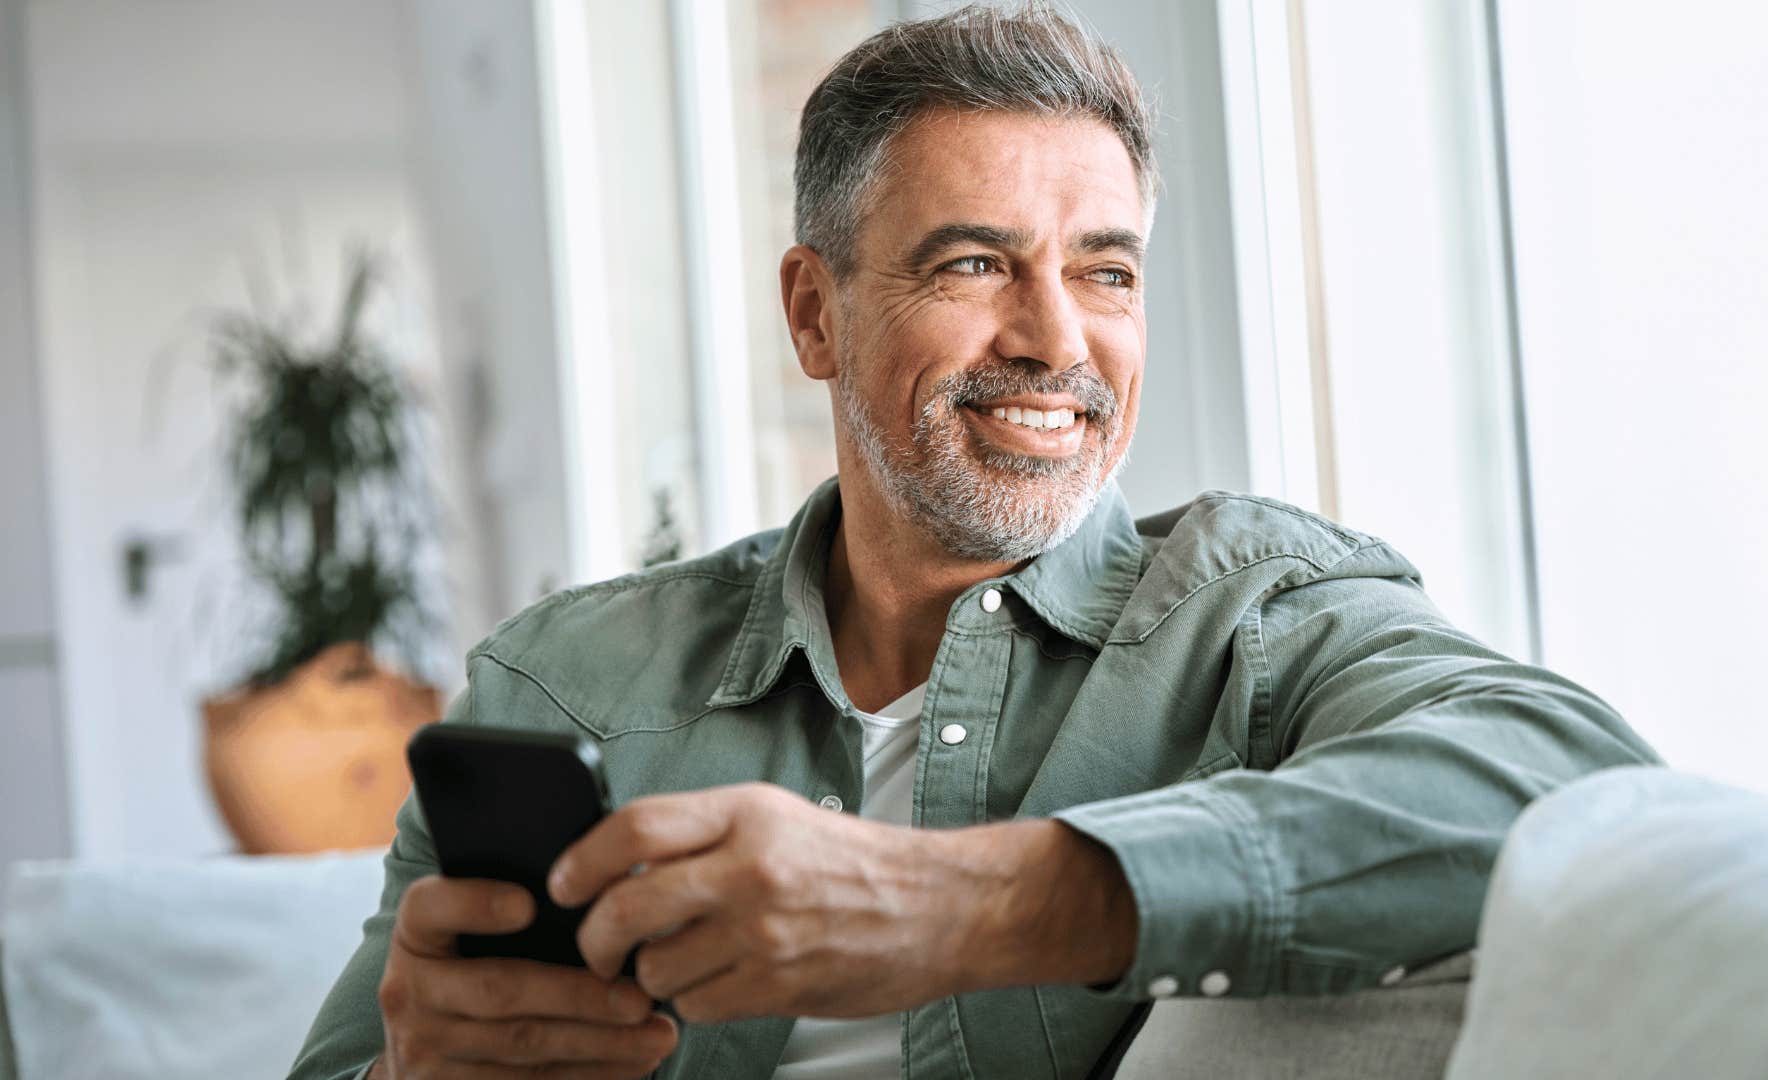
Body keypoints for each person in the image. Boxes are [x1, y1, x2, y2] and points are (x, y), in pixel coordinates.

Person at [291, 4, 1660, 1078]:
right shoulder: (563, 679)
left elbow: (1578, 787)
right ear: (815, 315)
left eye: (1106, 272)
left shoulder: (1256, 616)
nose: (1059, 342)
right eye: (975, 264)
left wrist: (960, 907)